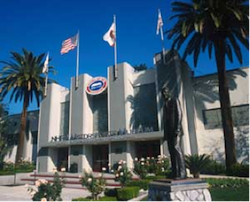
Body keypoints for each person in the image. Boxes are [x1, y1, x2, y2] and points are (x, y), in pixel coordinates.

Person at [162, 87, 187, 179]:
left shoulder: (174, 100)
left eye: (165, 92)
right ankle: (175, 172)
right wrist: (165, 133)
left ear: (169, 92)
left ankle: (182, 173)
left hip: (176, 130)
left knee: (177, 149)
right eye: (162, 93)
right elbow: (165, 121)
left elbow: (179, 114)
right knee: (171, 152)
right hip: (169, 132)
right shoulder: (165, 105)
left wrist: (178, 128)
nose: (164, 94)